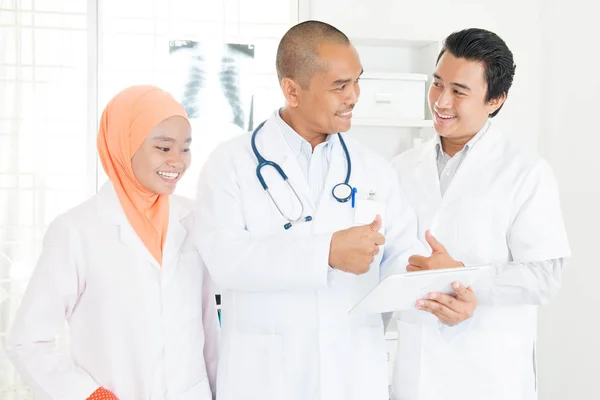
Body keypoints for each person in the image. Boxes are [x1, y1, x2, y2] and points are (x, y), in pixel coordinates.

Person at [194, 20, 462, 400]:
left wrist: (433, 279)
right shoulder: (230, 164)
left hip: (350, 373)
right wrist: (326, 253)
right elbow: (225, 259)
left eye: (357, 81)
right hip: (266, 375)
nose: (354, 96)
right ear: (292, 90)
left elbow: (398, 255)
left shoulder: (373, 169)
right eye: (339, 86)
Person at [6, 86, 220, 400]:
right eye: (163, 148)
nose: (178, 161)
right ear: (124, 144)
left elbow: (209, 330)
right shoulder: (76, 230)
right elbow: (28, 341)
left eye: (185, 148)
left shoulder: (196, 219)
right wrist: (91, 395)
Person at [390, 28, 571, 400]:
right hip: (416, 370)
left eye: (459, 92)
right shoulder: (400, 168)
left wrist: (462, 280)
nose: (441, 101)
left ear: (495, 100)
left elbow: (544, 277)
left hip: (490, 374)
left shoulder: (525, 172)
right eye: (437, 84)